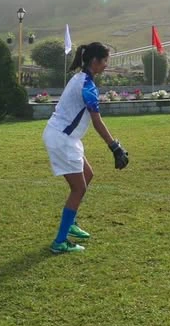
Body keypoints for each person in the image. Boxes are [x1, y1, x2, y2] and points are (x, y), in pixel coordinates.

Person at [42, 41, 129, 254]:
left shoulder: (80, 78)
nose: (107, 65)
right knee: (78, 188)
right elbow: (97, 122)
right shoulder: (87, 86)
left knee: (87, 175)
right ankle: (60, 242)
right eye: (105, 60)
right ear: (95, 61)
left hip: (65, 137)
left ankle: (71, 222)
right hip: (62, 139)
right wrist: (115, 147)